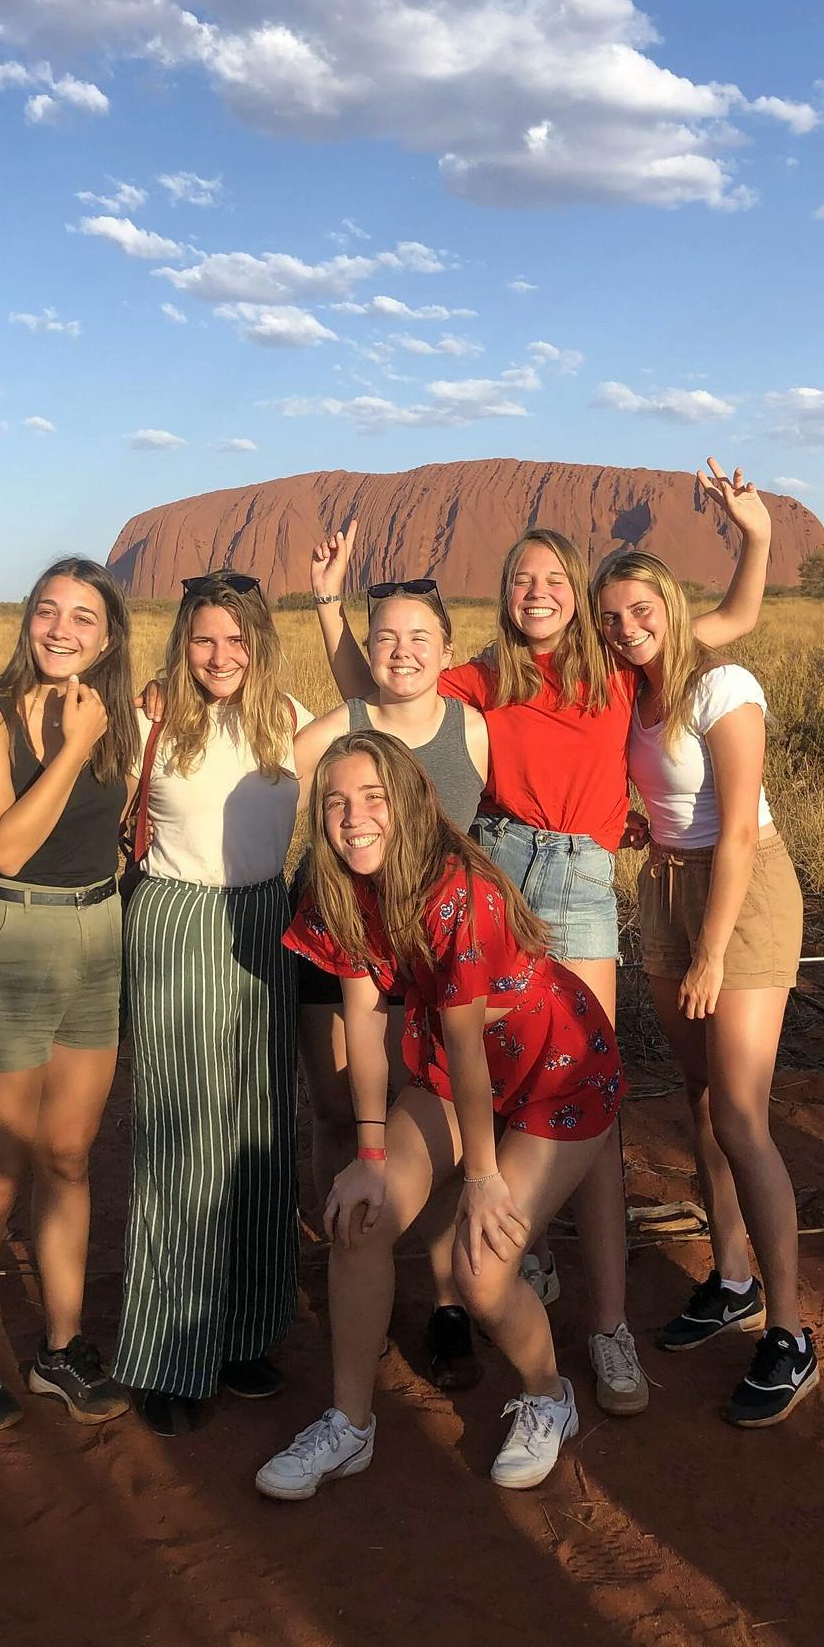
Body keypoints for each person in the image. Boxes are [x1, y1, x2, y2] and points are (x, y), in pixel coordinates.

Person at [309, 461, 770, 1418]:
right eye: (521, 580)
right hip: (498, 867)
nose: (538, 594)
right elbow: (383, 696)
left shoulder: (613, 660)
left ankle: (605, 1325)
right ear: (505, 595)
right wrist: (326, 612)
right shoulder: (484, 674)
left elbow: (727, 621)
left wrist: (755, 537)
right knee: (471, 1066)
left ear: (578, 588)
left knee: (582, 1094)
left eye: (555, 579)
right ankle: (506, 1270)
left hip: (581, 876)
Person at [255, 731, 626, 1499]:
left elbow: (463, 1039)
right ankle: (350, 1425)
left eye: (371, 800)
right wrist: (369, 1153)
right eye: (334, 803)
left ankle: (548, 1396)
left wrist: (483, 1178)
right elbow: (363, 1017)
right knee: (363, 1214)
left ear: (412, 803)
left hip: (554, 1070)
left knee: (482, 1268)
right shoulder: (340, 888)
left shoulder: (457, 887)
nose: (353, 819)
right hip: (459, 1070)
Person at [595, 549, 816, 1426]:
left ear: (669, 604)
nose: (626, 627)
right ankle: (730, 1279)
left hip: (744, 891)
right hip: (668, 889)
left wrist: (715, 951)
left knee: (739, 1115)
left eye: (640, 608)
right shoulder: (630, 685)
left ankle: (791, 1337)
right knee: (697, 1096)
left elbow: (734, 828)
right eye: (611, 616)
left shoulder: (722, 686)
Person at [0, 558, 139, 1432]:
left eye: (83, 618)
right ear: (27, 621)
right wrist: (76, 747)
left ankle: (59, 1348)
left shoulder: (118, 716)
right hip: (11, 938)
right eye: (48, 612)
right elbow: (6, 849)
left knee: (67, 1158)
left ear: (109, 636)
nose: (62, 630)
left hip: (98, 939)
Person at [113, 573, 309, 1436]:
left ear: (261, 642)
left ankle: (244, 1334)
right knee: (182, 1133)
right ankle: (169, 1353)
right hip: (177, 920)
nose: (221, 656)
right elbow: (95, 816)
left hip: (268, 920)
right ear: (181, 643)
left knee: (262, 1128)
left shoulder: (291, 720)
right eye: (204, 640)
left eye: (237, 640)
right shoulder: (151, 720)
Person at [291, 578, 489, 1391]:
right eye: (383, 639)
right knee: (339, 1110)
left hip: (427, 954)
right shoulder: (344, 723)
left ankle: (446, 1303)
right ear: (363, 654)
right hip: (336, 937)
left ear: (448, 648)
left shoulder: (473, 729)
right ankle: (355, 1287)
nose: (401, 651)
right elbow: (267, 780)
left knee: (426, 1126)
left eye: (417, 637)